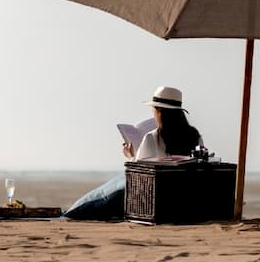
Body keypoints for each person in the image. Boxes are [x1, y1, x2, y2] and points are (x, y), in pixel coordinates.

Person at [62, 86, 204, 220]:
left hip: (153, 198)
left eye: (154, 110)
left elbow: (137, 174)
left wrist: (130, 154)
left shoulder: (153, 137)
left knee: (107, 191)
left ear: (159, 112)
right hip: (182, 197)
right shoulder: (195, 136)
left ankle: (72, 212)